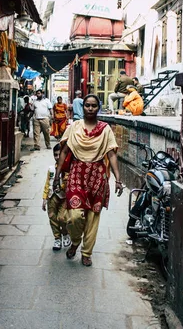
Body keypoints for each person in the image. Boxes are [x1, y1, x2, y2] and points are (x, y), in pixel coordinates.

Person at [53, 94, 123, 267]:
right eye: (87, 105)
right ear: (82, 107)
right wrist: (57, 175)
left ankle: (86, 252)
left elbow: (112, 154)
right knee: (74, 216)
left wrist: (118, 179)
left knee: (93, 217)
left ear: (98, 108)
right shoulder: (74, 127)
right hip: (76, 174)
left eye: (93, 106)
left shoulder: (105, 129)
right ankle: (75, 241)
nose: (90, 108)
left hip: (97, 176)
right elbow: (63, 152)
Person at [42, 144, 72, 250]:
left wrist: (63, 186)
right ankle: (57, 238)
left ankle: (65, 233)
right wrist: (45, 198)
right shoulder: (51, 169)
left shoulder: (68, 169)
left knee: (62, 218)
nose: (58, 157)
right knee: (52, 217)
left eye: (60, 155)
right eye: (55, 155)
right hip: (52, 196)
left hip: (64, 197)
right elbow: (47, 183)